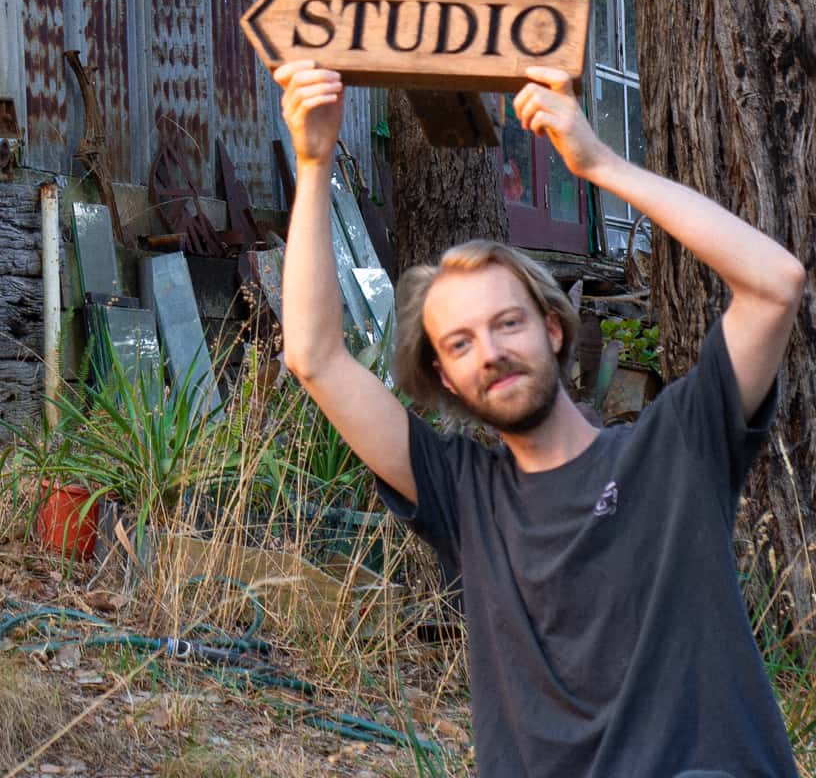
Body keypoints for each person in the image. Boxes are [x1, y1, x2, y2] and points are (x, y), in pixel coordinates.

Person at [272, 59, 806, 778]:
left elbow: (775, 284)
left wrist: (599, 162)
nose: (489, 352)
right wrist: (312, 163)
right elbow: (313, 357)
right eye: (460, 343)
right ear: (444, 378)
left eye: (507, 323)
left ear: (553, 329)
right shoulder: (464, 496)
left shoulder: (678, 448)